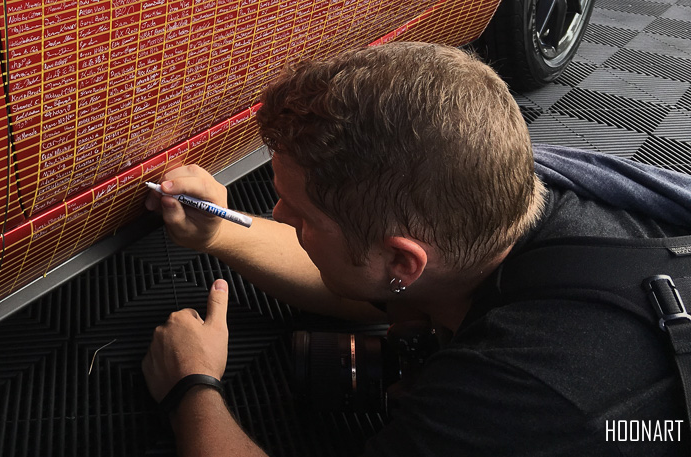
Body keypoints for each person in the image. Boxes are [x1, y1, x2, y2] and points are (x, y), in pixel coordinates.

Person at [141, 42, 691, 456]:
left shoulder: (513, 395)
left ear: (403, 260)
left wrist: (192, 387)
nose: (276, 217)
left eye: (300, 215)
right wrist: (217, 232)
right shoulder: (507, 186)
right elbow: (367, 281)